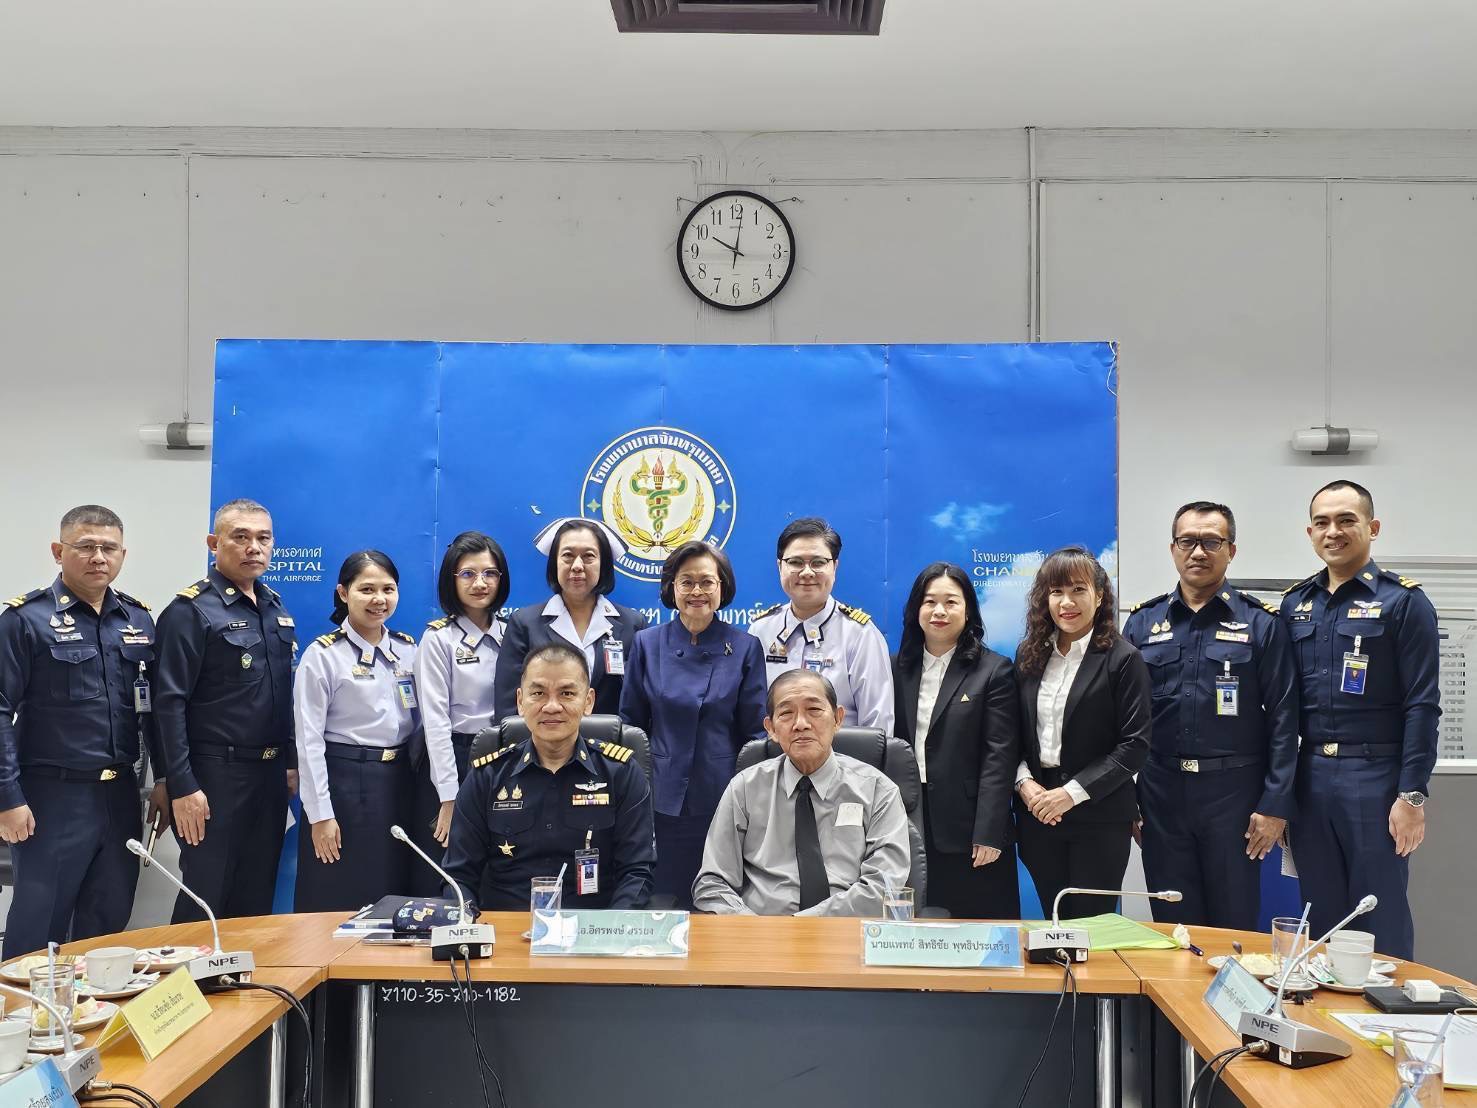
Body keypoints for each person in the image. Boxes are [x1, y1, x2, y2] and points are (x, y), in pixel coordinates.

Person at [1281, 481, 1440, 960]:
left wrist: (1411, 795)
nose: (1334, 531)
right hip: (1311, 778)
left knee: (1378, 915)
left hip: (1375, 778)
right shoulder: (1295, 604)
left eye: (1346, 520)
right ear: (1310, 533)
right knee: (1321, 915)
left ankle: (1385, 1009)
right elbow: (1282, 707)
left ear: (1372, 528)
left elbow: (1422, 705)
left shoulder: (1404, 602)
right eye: (1322, 522)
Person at [1122, 502, 1299, 930]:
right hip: (1161, 794)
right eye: (1187, 541)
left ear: (1231, 550)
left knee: (1232, 922)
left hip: (1234, 796)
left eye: (1211, 542)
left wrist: (1275, 804)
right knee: (1173, 923)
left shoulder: (1261, 623)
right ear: (1173, 548)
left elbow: (1284, 719)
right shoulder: (1143, 624)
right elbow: (1121, 722)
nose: (1198, 552)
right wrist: (1128, 800)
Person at [0, 505, 157, 957]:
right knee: (39, 925)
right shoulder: (24, 619)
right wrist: (7, 798)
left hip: (120, 794)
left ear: (123, 554)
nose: (98, 557)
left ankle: (91, 1005)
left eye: (109, 548)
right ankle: (19, 1004)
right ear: (58, 551)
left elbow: (154, 711)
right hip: (52, 798)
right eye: (85, 546)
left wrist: (165, 779)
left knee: (108, 922)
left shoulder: (138, 620)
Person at [153, 498, 299, 922]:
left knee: (255, 899)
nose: (254, 547)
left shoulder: (274, 607)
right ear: (214, 543)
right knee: (206, 896)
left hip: (268, 777)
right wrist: (182, 785)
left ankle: (241, 970)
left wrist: (290, 762)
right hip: (214, 777)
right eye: (241, 537)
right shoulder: (190, 611)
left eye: (263, 538)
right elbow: (168, 705)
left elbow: (284, 695)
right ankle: (189, 969)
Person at [442, 642, 655, 912]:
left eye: (567, 693)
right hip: (507, 926)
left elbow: (636, 871)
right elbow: (458, 876)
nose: (552, 706)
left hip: (591, 925)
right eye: (538, 693)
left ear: (588, 701)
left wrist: (611, 929)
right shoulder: (488, 776)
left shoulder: (621, 773)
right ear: (520, 701)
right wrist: (469, 923)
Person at [619, 542, 767, 907]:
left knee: (716, 900)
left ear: (722, 587)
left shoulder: (745, 646)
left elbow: (754, 735)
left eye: (706, 582)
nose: (697, 591)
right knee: (663, 900)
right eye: (686, 582)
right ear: (671, 588)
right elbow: (631, 726)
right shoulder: (646, 643)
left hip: (722, 794)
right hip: (659, 795)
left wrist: (747, 795)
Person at [692, 669, 910, 917]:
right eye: (786, 713)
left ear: (838, 719)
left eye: (814, 710)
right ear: (771, 728)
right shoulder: (744, 788)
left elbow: (884, 886)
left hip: (845, 929)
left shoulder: (878, 790)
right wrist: (754, 927)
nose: (801, 724)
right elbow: (713, 882)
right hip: (761, 930)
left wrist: (801, 925)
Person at [1013, 546, 1151, 921]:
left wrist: (1069, 795)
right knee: (1055, 923)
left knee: (1092, 929)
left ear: (1100, 596)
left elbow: (1134, 745)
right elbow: (1011, 734)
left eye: (1078, 590)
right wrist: (1025, 785)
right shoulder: (1029, 654)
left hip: (1099, 817)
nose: (1066, 602)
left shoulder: (1123, 659)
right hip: (1039, 815)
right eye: (1056, 591)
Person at [891, 562, 1021, 918]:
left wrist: (989, 831)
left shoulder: (993, 670)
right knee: (915, 930)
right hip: (908, 819)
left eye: (951, 602)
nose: (939, 611)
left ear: (968, 611)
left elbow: (1000, 756)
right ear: (916, 609)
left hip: (970, 828)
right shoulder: (896, 667)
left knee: (977, 932)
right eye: (929, 601)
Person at [293, 551, 419, 912]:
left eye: (388, 589)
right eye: (367, 589)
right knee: (338, 890)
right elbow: (308, 742)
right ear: (343, 593)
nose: (379, 599)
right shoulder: (323, 655)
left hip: (400, 782)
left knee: (394, 890)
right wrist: (320, 814)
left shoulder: (408, 650)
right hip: (345, 783)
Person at [410, 532, 509, 890]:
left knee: (500, 862)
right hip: (456, 756)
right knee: (450, 866)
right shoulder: (439, 639)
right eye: (468, 574)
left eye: (489, 573)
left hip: (506, 756)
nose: (480, 583)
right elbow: (435, 722)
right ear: (451, 579)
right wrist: (449, 796)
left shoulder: (513, 635)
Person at [748, 517, 894, 731]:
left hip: (841, 752)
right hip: (774, 751)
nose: (807, 572)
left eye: (818, 562)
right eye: (796, 562)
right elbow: (751, 717)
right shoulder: (761, 630)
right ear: (780, 566)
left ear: (834, 567)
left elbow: (878, 725)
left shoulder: (860, 634)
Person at [493, 519, 647, 720]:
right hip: (543, 738)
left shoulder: (632, 624)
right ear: (554, 563)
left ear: (603, 564)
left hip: (612, 739)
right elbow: (509, 706)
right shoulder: (524, 624)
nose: (577, 566)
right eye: (568, 555)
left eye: (588, 556)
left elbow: (640, 705)